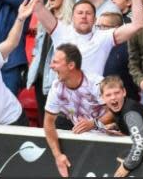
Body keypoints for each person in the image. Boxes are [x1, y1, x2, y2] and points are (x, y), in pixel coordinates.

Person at [34, 0, 143, 76]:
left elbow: (138, 25)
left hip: (92, 96)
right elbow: (37, 7)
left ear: (95, 20)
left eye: (88, 13)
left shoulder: (103, 37)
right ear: (72, 17)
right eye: (80, 13)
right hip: (62, 96)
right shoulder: (61, 31)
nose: (84, 16)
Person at [44, 44, 110, 177]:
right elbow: (48, 123)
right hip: (83, 142)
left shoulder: (96, 83)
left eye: (56, 62)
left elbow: (115, 112)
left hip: (109, 142)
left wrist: (93, 123)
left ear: (71, 65)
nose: (51, 66)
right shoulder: (56, 88)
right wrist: (58, 156)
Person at [99, 75, 143, 177]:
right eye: (108, 95)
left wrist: (126, 166)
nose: (113, 97)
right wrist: (116, 126)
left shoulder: (130, 113)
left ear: (124, 92)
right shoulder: (120, 108)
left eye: (117, 93)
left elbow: (140, 143)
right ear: (102, 98)